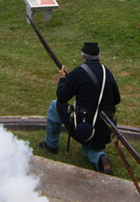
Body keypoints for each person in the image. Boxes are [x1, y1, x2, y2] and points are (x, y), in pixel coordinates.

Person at [39, 41, 121, 174]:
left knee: (55, 106)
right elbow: (117, 99)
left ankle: (51, 144)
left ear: (83, 57)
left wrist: (63, 79)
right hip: (103, 126)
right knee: (91, 148)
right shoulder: (107, 72)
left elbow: (62, 97)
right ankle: (100, 158)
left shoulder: (79, 73)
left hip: (83, 123)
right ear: (98, 57)